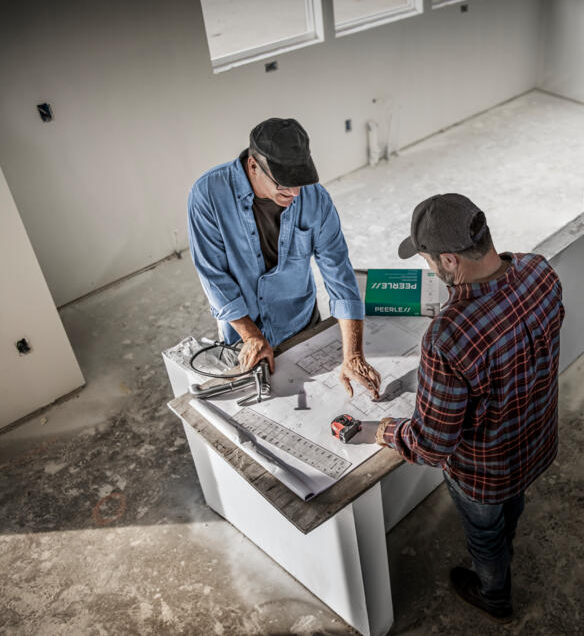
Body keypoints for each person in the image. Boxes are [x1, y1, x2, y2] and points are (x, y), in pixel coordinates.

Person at [374, 193, 564, 621]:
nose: (430, 271)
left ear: (450, 261)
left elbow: (430, 446)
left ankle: (494, 594)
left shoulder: (448, 336)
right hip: (534, 444)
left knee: (484, 534)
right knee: (510, 507)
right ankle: (506, 538)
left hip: (484, 474)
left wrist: (385, 429)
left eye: (429, 261)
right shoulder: (540, 271)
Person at [187, 117, 380, 397]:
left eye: (300, 183)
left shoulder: (316, 199)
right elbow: (213, 275)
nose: (295, 193)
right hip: (242, 331)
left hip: (300, 324)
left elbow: (338, 272)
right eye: (284, 184)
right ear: (253, 166)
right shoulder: (208, 195)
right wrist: (251, 336)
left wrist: (353, 355)